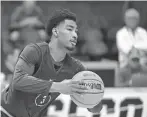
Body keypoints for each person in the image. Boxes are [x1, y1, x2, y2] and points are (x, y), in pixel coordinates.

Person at [1, 9, 102, 117]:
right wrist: (58, 86)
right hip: (5, 112)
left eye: (76, 31)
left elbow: (96, 108)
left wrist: (93, 99)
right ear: (55, 32)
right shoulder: (34, 51)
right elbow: (18, 80)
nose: (75, 35)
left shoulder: (76, 68)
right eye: (69, 29)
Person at [116, 8, 147, 87]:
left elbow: (146, 46)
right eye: (129, 18)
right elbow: (125, 48)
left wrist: (133, 47)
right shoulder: (120, 33)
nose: (132, 20)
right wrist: (138, 49)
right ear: (125, 19)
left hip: (142, 67)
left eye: (134, 18)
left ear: (138, 20)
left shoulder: (143, 32)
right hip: (125, 67)